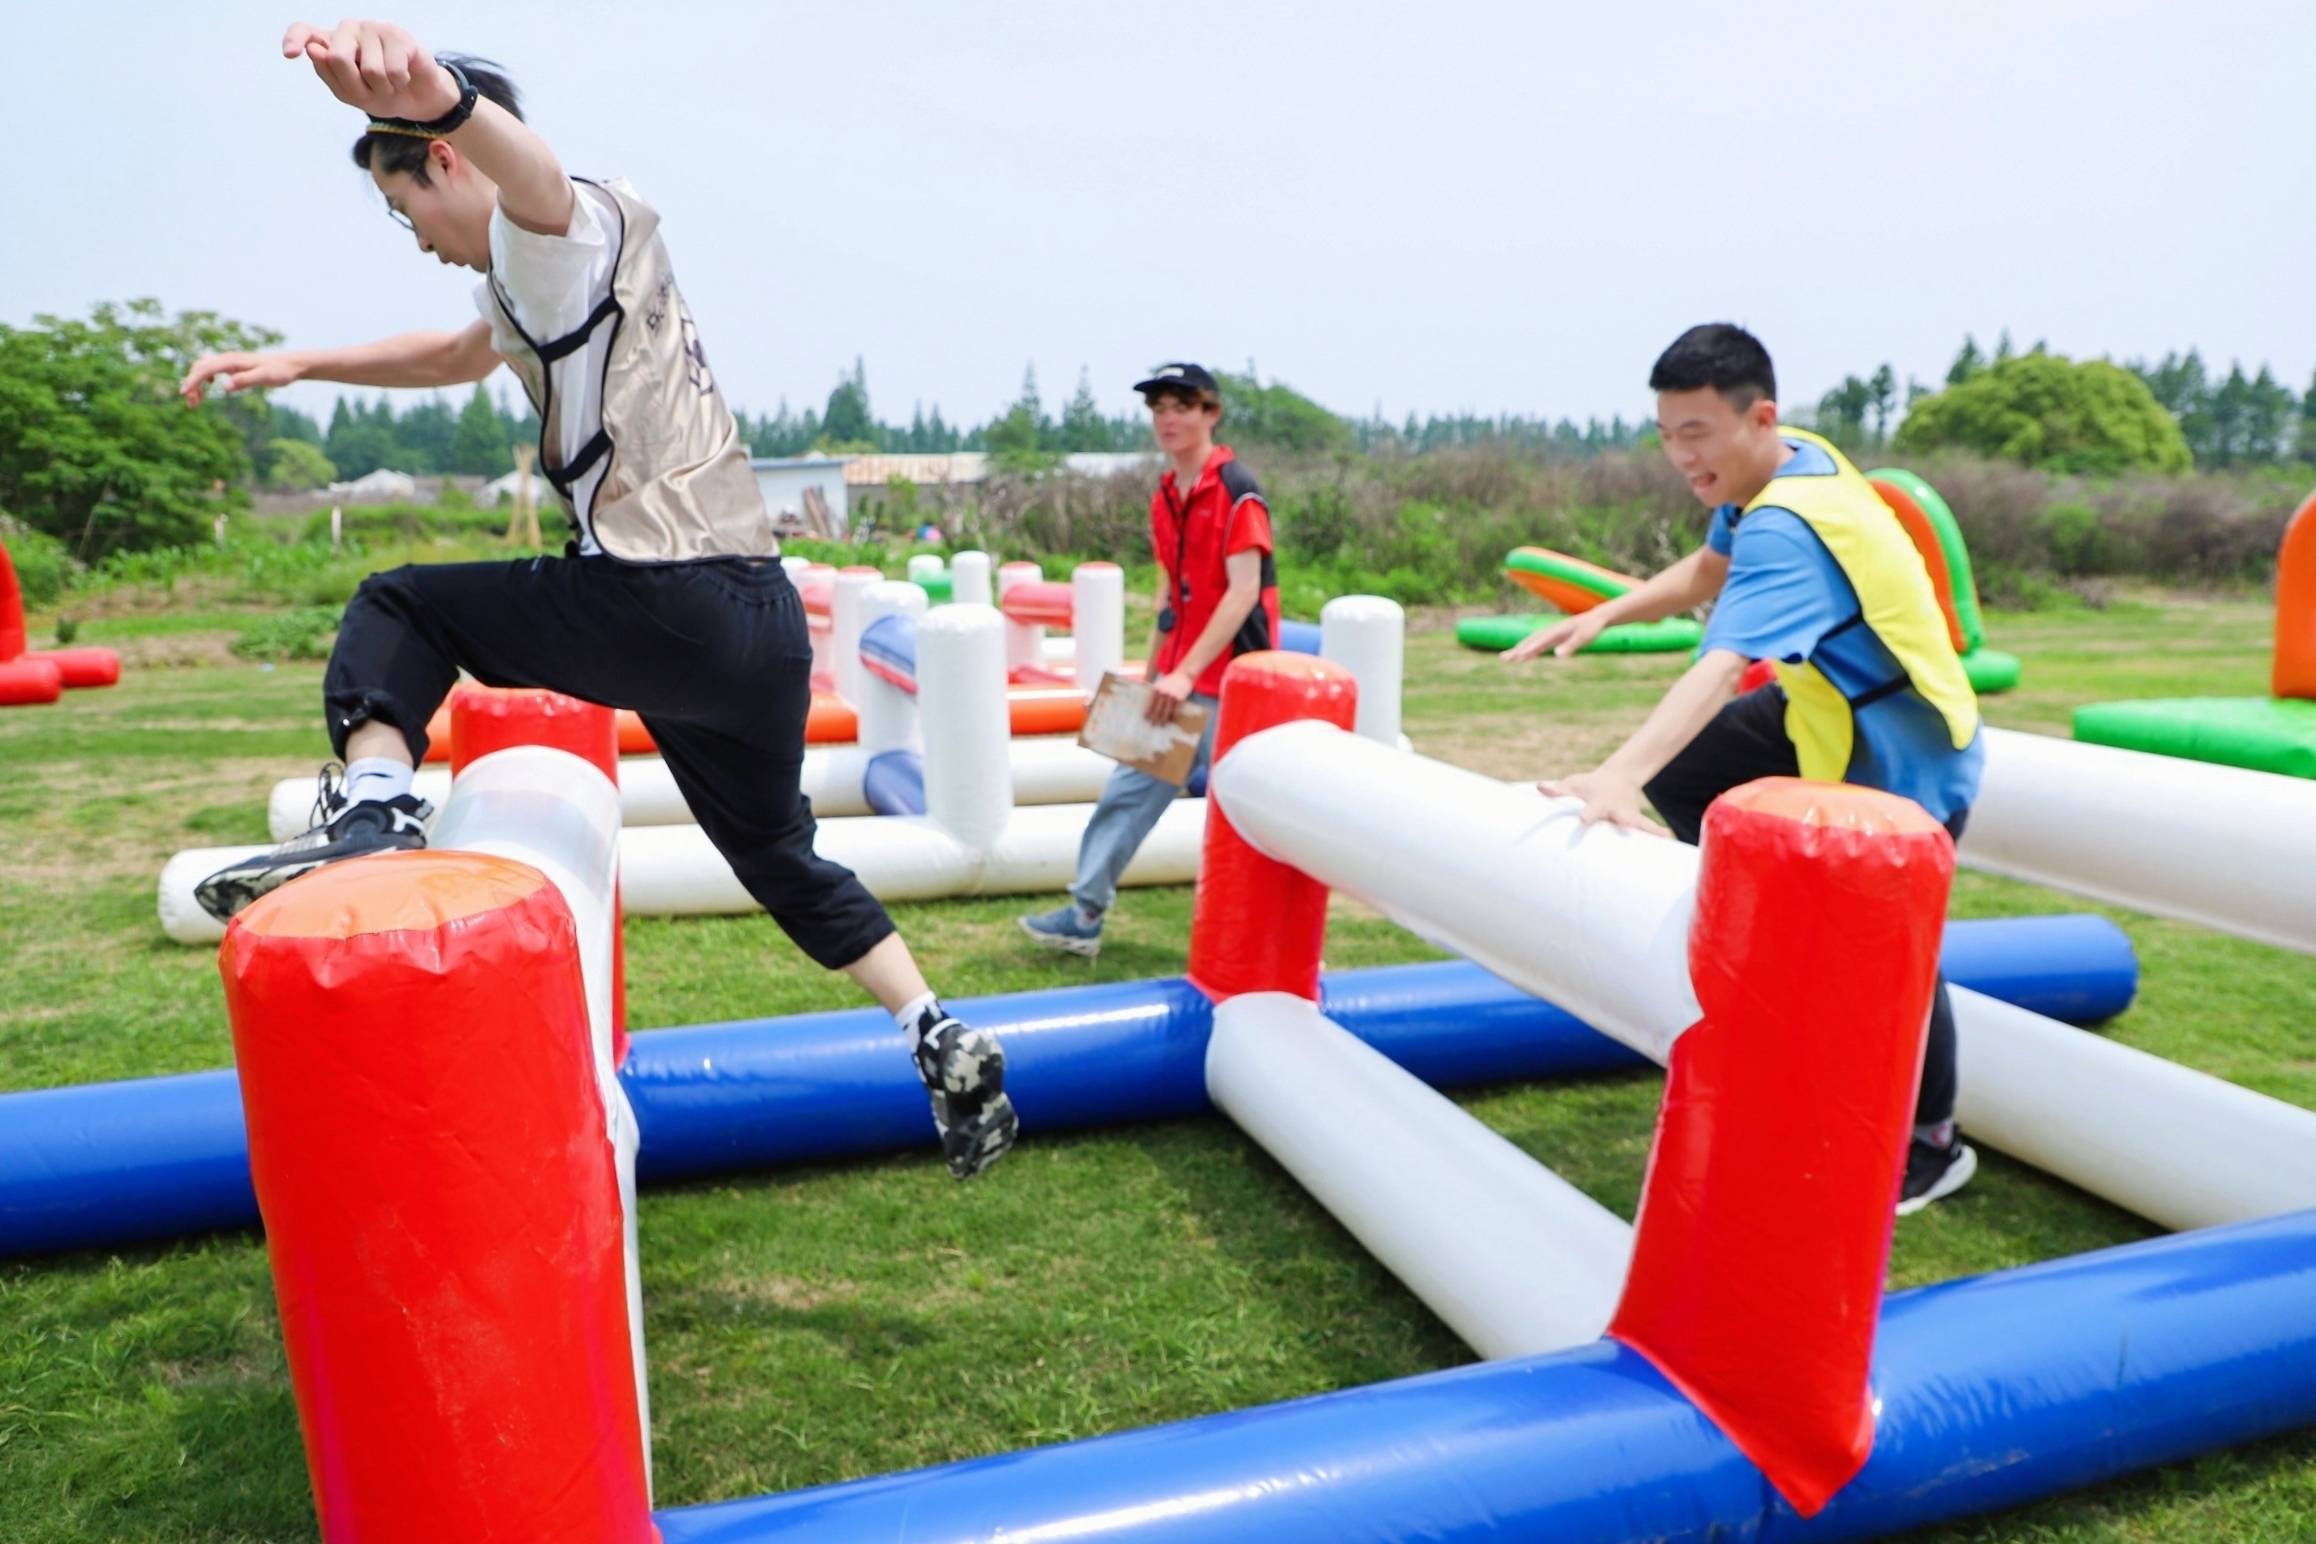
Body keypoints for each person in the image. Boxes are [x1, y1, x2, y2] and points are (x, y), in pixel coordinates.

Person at [181, 20, 1014, 1179]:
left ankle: (375, 805)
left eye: (401, 201)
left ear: (447, 161)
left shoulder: (556, 223)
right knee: (779, 856)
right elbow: (455, 355)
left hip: (659, 595)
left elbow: (532, 171)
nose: (409, 232)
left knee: (403, 604)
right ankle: (933, 1025)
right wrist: (301, 365)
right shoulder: (526, 279)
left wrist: (433, 92)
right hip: (758, 628)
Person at [1506, 323, 1983, 1213]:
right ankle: (1776, 949)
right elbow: (1705, 570)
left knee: (1899, 955)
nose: (1681, 456)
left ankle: (1934, 1140)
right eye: (1666, 435)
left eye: (1697, 434)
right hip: (1821, 713)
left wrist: (1611, 778)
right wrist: (1607, 613)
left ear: (1758, 416)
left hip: (1902, 754)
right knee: (1690, 776)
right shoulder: (1785, 462)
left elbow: (1720, 662)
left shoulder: (1793, 524)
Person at [1019, 363, 1279, 957]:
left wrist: (1186, 673)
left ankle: (1277, 936)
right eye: (1159, 408)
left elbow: (1243, 593)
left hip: (1233, 680)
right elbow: (1170, 589)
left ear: (1211, 414)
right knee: (1128, 790)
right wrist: (1157, 667)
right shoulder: (1165, 495)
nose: (1169, 419)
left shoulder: (1239, 490)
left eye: (1182, 406)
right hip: (1178, 679)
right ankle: (1085, 914)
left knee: (1257, 809)